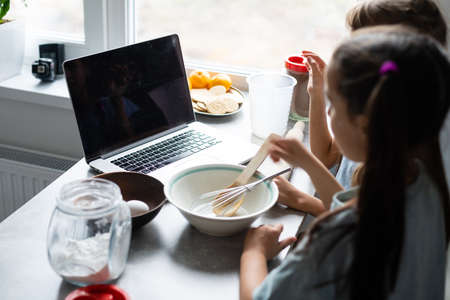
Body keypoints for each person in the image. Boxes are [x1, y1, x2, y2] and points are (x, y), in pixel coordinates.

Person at [240, 27, 450, 300]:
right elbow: (355, 208)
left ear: (364, 125)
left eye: (334, 105)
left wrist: (253, 252)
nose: (328, 111)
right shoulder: (426, 182)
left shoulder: (335, 240)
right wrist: (306, 162)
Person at [275, 0, 449, 216]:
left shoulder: (402, 150)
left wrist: (302, 199)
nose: (351, 50)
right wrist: (317, 93)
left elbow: (365, 225)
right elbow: (327, 157)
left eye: (360, 42)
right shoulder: (366, 106)